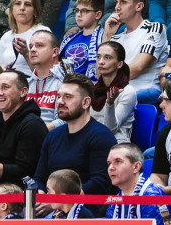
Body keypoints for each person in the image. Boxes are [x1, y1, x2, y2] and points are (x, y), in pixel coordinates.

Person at [33, 74, 118, 206]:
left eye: (68, 97)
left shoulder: (101, 136)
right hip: (51, 205)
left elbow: (100, 183)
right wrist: (41, 196)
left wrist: (58, 203)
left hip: (85, 210)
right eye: (59, 96)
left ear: (86, 102)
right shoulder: (52, 136)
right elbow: (39, 177)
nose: (60, 101)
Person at [0, 70, 49, 186]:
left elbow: (25, 173)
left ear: (23, 92)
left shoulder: (33, 125)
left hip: (21, 196)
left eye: (5, 87)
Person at [104, 0, 169, 104]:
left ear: (139, 6)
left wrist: (108, 77)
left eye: (123, 2)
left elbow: (139, 66)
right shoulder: (116, 37)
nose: (117, 7)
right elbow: (101, 71)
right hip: (120, 91)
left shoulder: (154, 28)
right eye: (116, 2)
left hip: (146, 90)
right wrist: (107, 35)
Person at [106, 142, 171, 225]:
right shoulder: (116, 200)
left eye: (118, 161)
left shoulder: (152, 196)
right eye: (109, 163)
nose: (111, 168)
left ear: (136, 167)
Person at [0, 0, 51, 75]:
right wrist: (1, 70)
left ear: (35, 11)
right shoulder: (6, 36)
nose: (22, 8)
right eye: (17, 4)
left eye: (28, 4)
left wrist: (26, 54)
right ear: (12, 10)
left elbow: (45, 72)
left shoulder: (43, 32)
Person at [91, 41, 137, 142]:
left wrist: (109, 104)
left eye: (107, 57)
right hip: (91, 140)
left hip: (116, 143)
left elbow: (110, 129)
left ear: (119, 64)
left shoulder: (127, 92)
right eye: (98, 57)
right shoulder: (93, 88)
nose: (101, 61)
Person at [24, 29, 67, 127]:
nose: (32, 49)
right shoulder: (25, 83)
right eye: (30, 46)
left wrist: (38, 133)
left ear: (55, 52)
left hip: (53, 138)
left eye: (39, 45)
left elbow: (66, 120)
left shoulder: (65, 81)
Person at [60, 0, 104, 80]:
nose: (79, 15)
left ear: (97, 14)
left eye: (84, 11)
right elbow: (64, 67)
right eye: (77, 10)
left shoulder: (103, 38)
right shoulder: (69, 40)